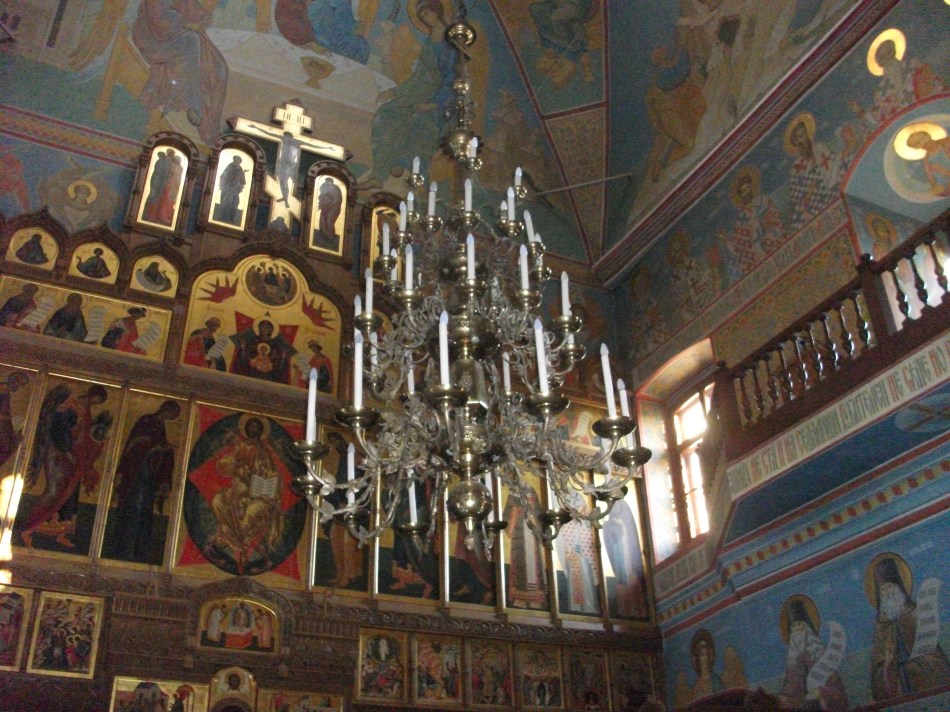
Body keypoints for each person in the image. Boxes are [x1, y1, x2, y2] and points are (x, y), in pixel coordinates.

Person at [16, 384, 112, 549]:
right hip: (59, 456)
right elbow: (60, 429)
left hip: (72, 460)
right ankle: (28, 529)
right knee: (55, 491)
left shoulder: (85, 409)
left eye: (100, 401)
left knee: (70, 495)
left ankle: (61, 533)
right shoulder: (72, 405)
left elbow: (83, 434)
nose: (97, 402)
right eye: (98, 399)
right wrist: (67, 449)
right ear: (93, 394)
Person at [132, 0, 227, 145]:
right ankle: (195, 104)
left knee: (219, 67)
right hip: (153, 38)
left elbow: (195, 10)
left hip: (183, 34)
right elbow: (158, 20)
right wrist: (187, 24)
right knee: (191, 42)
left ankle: (211, 125)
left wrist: (203, 18)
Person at [104, 400, 180, 563]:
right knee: (133, 510)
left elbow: (158, 447)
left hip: (148, 475)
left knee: (144, 513)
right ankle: (125, 550)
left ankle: (138, 551)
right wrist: (159, 447)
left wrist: (166, 450)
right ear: (165, 409)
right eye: (171, 414)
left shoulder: (160, 426)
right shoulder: (146, 420)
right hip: (136, 473)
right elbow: (137, 443)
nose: (170, 418)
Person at [867, 554, 950, 700]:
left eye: (890, 587)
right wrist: (886, 668)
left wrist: (916, 664)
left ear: (899, 587)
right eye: (883, 590)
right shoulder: (881, 625)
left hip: (923, 679)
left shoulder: (914, 615)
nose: (888, 593)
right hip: (898, 683)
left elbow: (934, 655)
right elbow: (877, 665)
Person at [778, 596, 849, 710]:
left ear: (808, 629)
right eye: (793, 627)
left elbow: (839, 694)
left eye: (799, 625)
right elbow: (789, 695)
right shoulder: (793, 667)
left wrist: (822, 692)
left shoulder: (824, 659)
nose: (797, 631)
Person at [230, 320, 296, 384]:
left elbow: (278, 366)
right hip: (251, 375)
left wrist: (283, 357)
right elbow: (245, 360)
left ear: (271, 330)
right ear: (259, 328)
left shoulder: (275, 346)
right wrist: (243, 349)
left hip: (269, 378)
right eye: (262, 327)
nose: (264, 329)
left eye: (267, 328)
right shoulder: (253, 342)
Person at [0, 372, 29, 471]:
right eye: (20, 384)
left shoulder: (6, 392)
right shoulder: (3, 390)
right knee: (7, 446)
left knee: (14, 441)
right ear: (14, 380)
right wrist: (11, 419)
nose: (20, 388)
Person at [215, 155, 247, 225]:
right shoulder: (230, 166)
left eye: (238, 160)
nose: (236, 161)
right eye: (235, 160)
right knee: (225, 202)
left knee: (234, 203)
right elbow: (224, 176)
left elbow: (242, 180)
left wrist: (240, 186)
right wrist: (222, 184)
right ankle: (223, 217)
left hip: (234, 189)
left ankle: (231, 218)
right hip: (227, 187)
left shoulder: (239, 169)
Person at [313, 176, 344, 250]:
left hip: (333, 208)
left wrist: (330, 206)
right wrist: (322, 204)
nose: (326, 183)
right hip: (325, 207)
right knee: (322, 219)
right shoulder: (325, 186)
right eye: (326, 181)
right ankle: (323, 234)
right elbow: (321, 195)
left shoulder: (335, 188)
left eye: (327, 182)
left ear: (330, 182)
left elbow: (337, 199)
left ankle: (330, 237)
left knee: (329, 221)